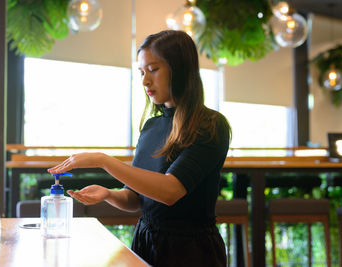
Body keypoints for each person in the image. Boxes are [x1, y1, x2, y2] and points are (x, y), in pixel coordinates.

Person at [48, 30, 231, 267]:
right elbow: (135, 199)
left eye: (153, 70)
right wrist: (108, 194)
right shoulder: (152, 126)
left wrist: (103, 160)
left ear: (179, 68)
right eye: (142, 72)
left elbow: (169, 192)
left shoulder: (211, 125)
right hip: (145, 240)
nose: (145, 81)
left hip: (190, 251)